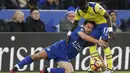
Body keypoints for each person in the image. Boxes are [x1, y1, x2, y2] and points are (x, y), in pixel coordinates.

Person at [10, 21, 108, 73]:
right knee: (36, 56)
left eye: (91, 28)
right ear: (84, 26)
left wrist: (104, 66)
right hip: (57, 48)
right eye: (88, 27)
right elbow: (83, 36)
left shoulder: (89, 41)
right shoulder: (79, 29)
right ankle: (16, 67)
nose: (89, 29)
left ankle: (47, 70)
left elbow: (96, 54)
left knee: (70, 71)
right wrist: (98, 41)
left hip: (64, 57)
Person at [67, 0, 115, 72]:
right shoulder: (78, 11)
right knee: (91, 44)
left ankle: (110, 68)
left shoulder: (95, 6)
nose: (84, 9)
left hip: (104, 24)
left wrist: (110, 30)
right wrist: (69, 33)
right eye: (82, 8)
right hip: (95, 27)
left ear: (87, 3)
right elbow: (75, 23)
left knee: (104, 44)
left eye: (85, 7)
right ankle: (96, 66)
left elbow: (107, 16)